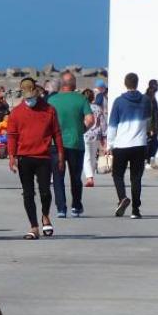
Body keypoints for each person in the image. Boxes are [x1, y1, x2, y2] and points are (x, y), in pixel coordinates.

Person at [8, 79, 65, 239]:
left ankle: (45, 215)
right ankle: (34, 227)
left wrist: (61, 154)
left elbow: (57, 134)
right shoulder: (16, 112)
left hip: (44, 157)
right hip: (24, 157)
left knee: (45, 192)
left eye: (31, 97)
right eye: (26, 98)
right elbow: (12, 136)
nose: (29, 101)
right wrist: (12, 157)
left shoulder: (49, 110)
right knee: (28, 193)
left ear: (38, 94)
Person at [47, 72, 93, 218]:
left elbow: (45, 121)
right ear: (74, 84)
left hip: (55, 144)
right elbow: (90, 120)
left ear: (61, 84)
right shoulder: (81, 99)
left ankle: (61, 208)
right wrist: (82, 129)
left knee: (58, 177)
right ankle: (76, 206)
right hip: (76, 143)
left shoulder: (51, 100)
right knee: (75, 177)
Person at [107, 72, 153, 218]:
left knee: (117, 174)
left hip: (121, 144)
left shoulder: (119, 101)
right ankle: (135, 210)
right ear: (137, 83)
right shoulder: (146, 100)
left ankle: (122, 197)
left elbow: (113, 125)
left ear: (125, 83)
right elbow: (148, 123)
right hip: (139, 144)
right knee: (136, 178)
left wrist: (109, 144)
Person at [82, 87, 107, 187]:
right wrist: (104, 136)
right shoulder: (98, 108)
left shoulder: (82, 108)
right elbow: (103, 123)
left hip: (85, 134)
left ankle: (89, 177)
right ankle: (90, 176)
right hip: (96, 135)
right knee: (93, 157)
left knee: (86, 157)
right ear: (92, 97)